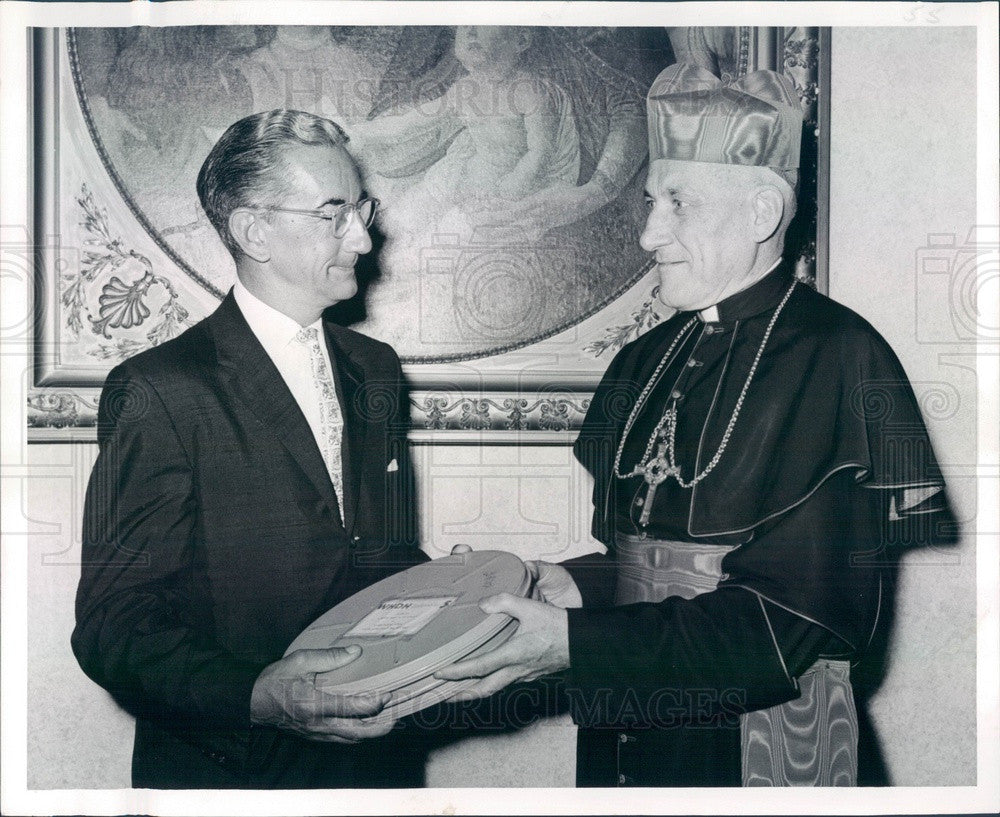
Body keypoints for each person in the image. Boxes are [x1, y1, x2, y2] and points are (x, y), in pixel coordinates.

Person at [435, 64, 957, 786]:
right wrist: (573, 584)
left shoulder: (842, 358)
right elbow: (659, 559)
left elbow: (792, 621)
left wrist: (579, 645)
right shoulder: (645, 356)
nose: (649, 233)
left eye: (677, 203)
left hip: (762, 743)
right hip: (628, 731)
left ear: (761, 214)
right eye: (651, 201)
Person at [72, 109, 428, 788]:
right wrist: (261, 695)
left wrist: (447, 591)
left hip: (376, 766)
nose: (362, 234)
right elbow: (113, 628)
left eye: (362, 208)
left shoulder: (375, 368)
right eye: (334, 213)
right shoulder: (159, 389)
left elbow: (374, 554)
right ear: (253, 230)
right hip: (233, 774)